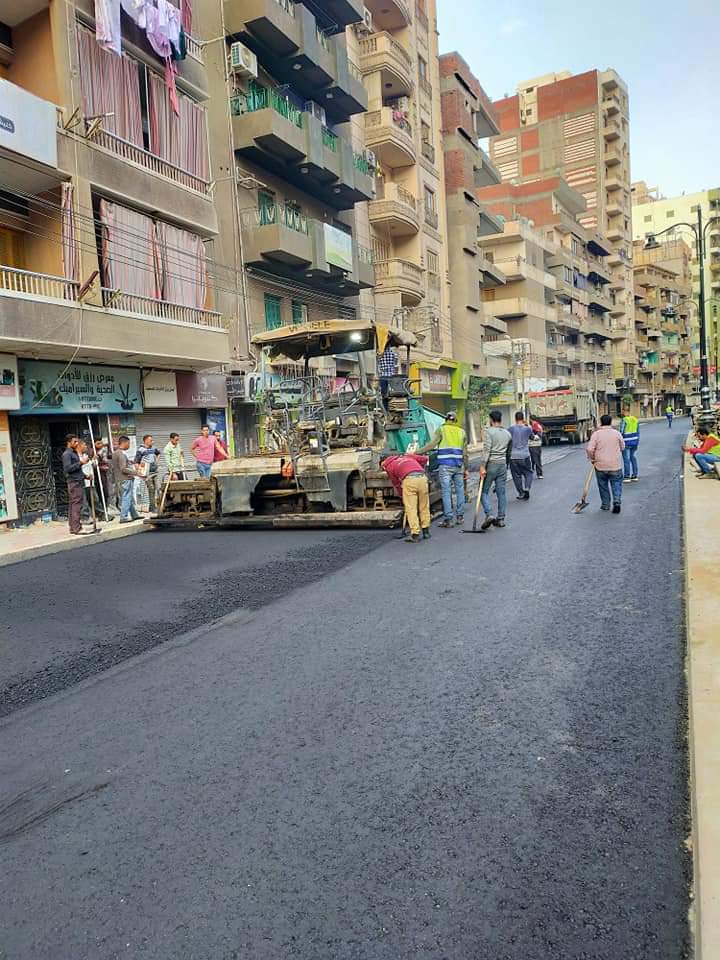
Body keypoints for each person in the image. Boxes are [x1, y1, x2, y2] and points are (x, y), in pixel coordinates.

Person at [416, 410, 468, 527]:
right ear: (455, 420)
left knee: (446, 491)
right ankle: (460, 517)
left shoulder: (441, 429)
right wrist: (466, 468)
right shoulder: (462, 432)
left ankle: (448, 519)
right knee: (460, 491)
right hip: (459, 465)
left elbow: (431, 445)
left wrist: (417, 452)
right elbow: (465, 453)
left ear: (446, 419)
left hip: (445, 466)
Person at [380, 449, 431, 543]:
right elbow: (424, 459)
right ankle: (426, 531)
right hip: (422, 478)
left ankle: (415, 534)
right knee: (424, 506)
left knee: (411, 508)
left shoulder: (388, 466)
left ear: (384, 462)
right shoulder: (407, 456)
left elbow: (396, 483)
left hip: (409, 480)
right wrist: (420, 467)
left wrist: (401, 495)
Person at [478, 410, 511, 531]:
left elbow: (487, 450)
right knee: (501, 493)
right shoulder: (507, 434)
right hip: (502, 464)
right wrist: (506, 465)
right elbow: (509, 453)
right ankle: (501, 519)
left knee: (483, 491)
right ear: (500, 419)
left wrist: (482, 466)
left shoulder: (488, 431)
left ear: (491, 420)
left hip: (491, 464)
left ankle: (489, 514)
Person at [587, 414, 625, 514]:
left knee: (603, 485)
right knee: (616, 483)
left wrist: (592, 458)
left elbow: (590, 449)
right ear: (611, 422)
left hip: (600, 465)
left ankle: (606, 504)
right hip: (615, 465)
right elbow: (623, 447)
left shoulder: (596, 434)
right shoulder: (617, 433)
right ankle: (616, 501)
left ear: (601, 422)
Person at [61, 434, 87, 535]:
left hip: (77, 480)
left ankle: (73, 527)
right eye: (75, 442)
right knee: (76, 505)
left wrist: (85, 476)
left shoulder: (73, 453)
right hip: (74, 482)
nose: (77, 444)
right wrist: (81, 463)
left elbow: (77, 470)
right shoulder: (67, 454)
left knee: (74, 504)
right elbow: (68, 469)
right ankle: (77, 528)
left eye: (77, 442)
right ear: (69, 442)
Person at [507, 411, 535, 501]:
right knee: (528, 473)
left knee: (516, 476)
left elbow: (507, 439)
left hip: (513, 457)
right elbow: (533, 437)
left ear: (515, 419)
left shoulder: (510, 429)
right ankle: (527, 487)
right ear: (523, 419)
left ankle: (521, 493)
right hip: (525, 455)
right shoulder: (528, 429)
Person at [112, 435, 140, 523]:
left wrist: (129, 462)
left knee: (129, 497)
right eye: (129, 443)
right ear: (124, 443)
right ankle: (123, 516)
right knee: (127, 497)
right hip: (125, 478)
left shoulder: (115, 453)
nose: (129, 445)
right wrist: (135, 472)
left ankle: (134, 515)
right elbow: (123, 468)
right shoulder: (121, 454)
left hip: (119, 479)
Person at [134, 434, 162, 513]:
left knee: (158, 488)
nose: (152, 442)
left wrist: (156, 461)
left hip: (155, 472)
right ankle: (152, 507)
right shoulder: (141, 450)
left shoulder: (153, 448)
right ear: (145, 440)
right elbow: (136, 462)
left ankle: (159, 505)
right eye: (150, 440)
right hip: (147, 473)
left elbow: (159, 453)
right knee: (151, 489)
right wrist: (140, 472)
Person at [618, 407, 640, 483]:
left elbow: (621, 432)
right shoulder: (635, 419)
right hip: (634, 442)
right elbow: (638, 432)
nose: (622, 413)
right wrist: (637, 442)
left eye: (622, 411)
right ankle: (635, 475)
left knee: (626, 459)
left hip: (626, 442)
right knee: (633, 458)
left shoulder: (624, 420)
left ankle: (627, 476)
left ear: (625, 411)